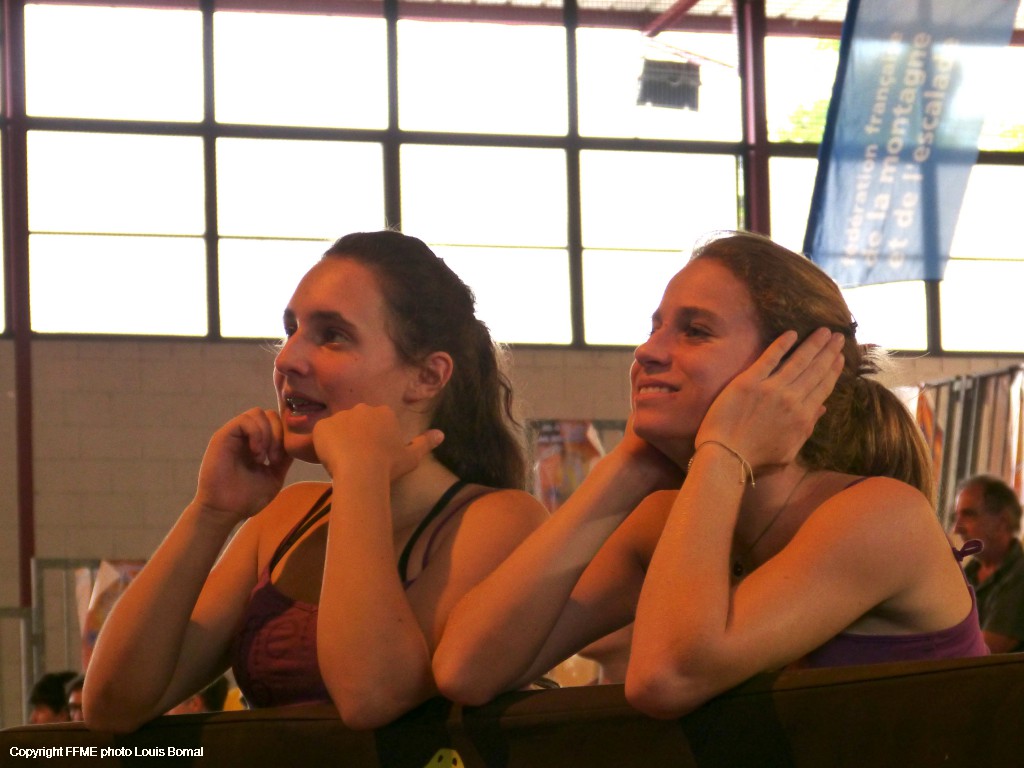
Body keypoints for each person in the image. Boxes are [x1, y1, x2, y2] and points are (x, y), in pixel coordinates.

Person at [434, 230, 989, 719]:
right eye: (654, 327)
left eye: (695, 331)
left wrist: (724, 451)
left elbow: (665, 678)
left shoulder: (880, 516)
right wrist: (629, 465)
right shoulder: (664, 523)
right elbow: (466, 670)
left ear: (788, 369)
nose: (647, 351)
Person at [83, 230, 548, 733]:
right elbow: (112, 705)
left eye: (332, 335)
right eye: (291, 329)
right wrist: (211, 513)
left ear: (427, 377)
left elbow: (370, 695)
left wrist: (360, 476)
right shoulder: (286, 517)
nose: (286, 359)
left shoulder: (499, 520)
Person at [952, 474, 1024, 652]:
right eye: (957, 516)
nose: (956, 528)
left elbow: (983, 652)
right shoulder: (970, 570)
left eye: (969, 515)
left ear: (1001, 522)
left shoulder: (1019, 576)